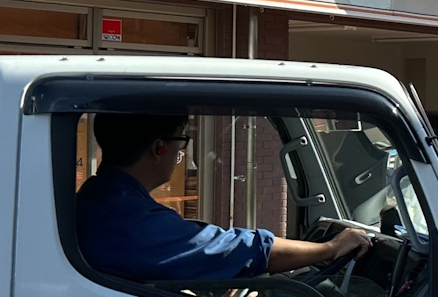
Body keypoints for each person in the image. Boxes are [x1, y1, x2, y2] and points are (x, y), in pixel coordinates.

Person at [77, 112, 371, 282]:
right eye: (183, 141)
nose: (184, 155)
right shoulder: (130, 220)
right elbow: (241, 249)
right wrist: (332, 248)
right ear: (159, 148)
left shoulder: (98, 196)